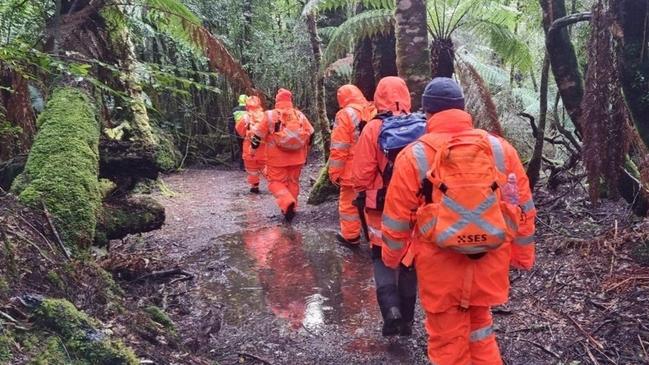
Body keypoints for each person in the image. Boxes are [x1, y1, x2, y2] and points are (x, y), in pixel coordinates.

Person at [381, 77, 537, 364]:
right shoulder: (501, 150)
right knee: (480, 329)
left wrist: (391, 258)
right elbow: (521, 206)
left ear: (427, 112)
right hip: (489, 261)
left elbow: (396, 219)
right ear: (464, 109)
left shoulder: (414, 155)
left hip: (440, 267)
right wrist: (522, 255)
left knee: (447, 342)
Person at [351, 76, 419, 336]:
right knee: (409, 259)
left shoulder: (373, 128)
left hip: (379, 207)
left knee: (381, 257)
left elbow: (360, 176)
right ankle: (409, 320)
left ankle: (391, 311)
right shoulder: (421, 124)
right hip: (413, 207)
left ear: (378, 97)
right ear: (406, 95)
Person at [251, 88, 314, 222]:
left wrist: (253, 150)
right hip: (298, 158)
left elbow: (257, 135)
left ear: (277, 101)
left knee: (276, 182)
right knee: (293, 182)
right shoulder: (299, 115)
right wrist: (306, 151)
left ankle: (287, 203)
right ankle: (293, 206)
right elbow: (311, 133)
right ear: (290, 101)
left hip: (277, 160)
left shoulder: (270, 115)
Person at [328, 84, 376, 246]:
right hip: (372, 168)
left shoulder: (345, 115)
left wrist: (334, 172)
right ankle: (374, 238)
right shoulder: (374, 110)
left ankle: (351, 236)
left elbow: (339, 147)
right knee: (372, 203)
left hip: (351, 170)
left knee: (349, 205)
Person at [235, 96, 267, 193]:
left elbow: (240, 131)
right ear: (259, 104)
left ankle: (254, 186)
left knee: (252, 170)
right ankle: (276, 184)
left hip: (249, 149)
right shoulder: (265, 116)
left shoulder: (245, 117)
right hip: (264, 149)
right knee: (266, 168)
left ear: (247, 106)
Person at [231, 94, 249, 169]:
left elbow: (231, 122)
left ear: (239, 100)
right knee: (248, 147)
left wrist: (231, 132)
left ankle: (242, 166)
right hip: (248, 131)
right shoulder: (250, 108)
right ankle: (249, 165)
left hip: (238, 131)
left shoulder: (235, 110)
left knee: (241, 147)